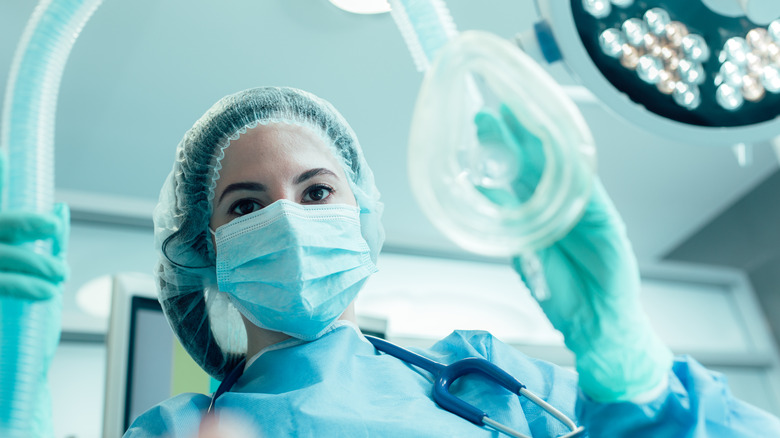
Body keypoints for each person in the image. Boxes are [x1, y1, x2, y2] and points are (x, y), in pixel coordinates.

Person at [3, 86, 780, 437]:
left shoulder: (486, 379)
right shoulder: (179, 430)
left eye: (316, 192)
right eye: (246, 206)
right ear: (205, 255)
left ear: (364, 218)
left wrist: (633, 374)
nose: (290, 221)